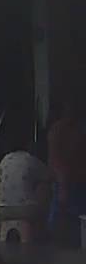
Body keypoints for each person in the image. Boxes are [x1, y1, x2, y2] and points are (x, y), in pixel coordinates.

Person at [48, 99, 86, 232]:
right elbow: (56, 159)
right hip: (65, 178)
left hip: (77, 179)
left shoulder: (79, 130)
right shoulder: (58, 130)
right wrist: (62, 182)